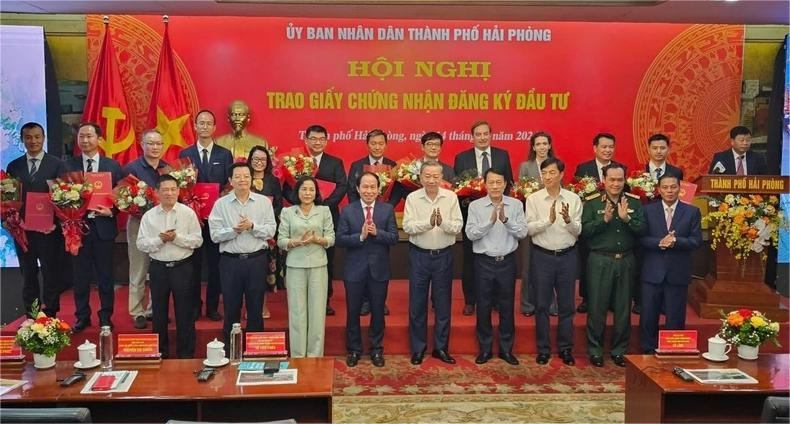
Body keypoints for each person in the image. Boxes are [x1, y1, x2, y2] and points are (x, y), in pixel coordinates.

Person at [582, 163, 645, 367]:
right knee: (597, 307)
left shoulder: (634, 201)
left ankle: (619, 350)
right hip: (600, 260)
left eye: (620, 180)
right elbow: (584, 231)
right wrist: (604, 220)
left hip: (626, 260)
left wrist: (627, 219)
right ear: (604, 180)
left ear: (624, 180)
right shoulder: (591, 203)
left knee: (623, 308)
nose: (616, 184)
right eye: (612, 180)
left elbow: (643, 230)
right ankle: (595, 350)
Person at [63, 122, 124, 332]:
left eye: (89, 136)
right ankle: (82, 317)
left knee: (106, 276)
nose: (85, 141)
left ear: (99, 139)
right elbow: (61, 197)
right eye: (82, 137)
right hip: (78, 229)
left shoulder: (112, 166)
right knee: (80, 277)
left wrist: (112, 212)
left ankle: (106, 316)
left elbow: (122, 197)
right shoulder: (68, 165)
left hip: (104, 228)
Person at [209, 163, 277, 346]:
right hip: (231, 262)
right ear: (230, 181)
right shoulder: (220, 204)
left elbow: (271, 230)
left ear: (252, 179)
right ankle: (232, 351)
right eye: (237, 177)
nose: (243, 180)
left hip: (256, 260)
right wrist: (234, 231)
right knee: (231, 308)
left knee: (256, 308)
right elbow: (214, 235)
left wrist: (253, 227)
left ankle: (256, 350)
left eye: (246, 176)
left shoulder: (263, 202)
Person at [465, 168, 528, 366]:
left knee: (507, 306)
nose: (494, 186)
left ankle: (506, 349)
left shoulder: (516, 204)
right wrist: (490, 222)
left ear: (505, 184)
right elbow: (470, 234)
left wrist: (506, 221)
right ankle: (485, 349)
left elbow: (523, 233)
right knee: (483, 306)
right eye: (491, 182)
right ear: (485, 184)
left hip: (507, 261)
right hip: (483, 262)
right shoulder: (475, 206)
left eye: (498, 182)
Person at [403, 161, 463, 365]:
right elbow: (408, 226)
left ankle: (441, 348)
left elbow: (457, 227)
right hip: (419, 255)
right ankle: (418, 348)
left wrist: (442, 223)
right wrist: (428, 224)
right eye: (427, 176)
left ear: (442, 178)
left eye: (435, 176)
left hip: (443, 255)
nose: (431, 180)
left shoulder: (451, 197)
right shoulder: (412, 198)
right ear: (420, 178)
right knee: (417, 304)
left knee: (443, 304)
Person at [136, 174, 202, 358]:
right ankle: (160, 354)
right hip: (158, 269)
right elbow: (141, 244)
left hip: (183, 268)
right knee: (159, 314)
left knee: (185, 314)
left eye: (173, 189)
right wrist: (160, 240)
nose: (169, 193)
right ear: (156, 192)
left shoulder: (188, 213)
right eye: (165, 190)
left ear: (179, 191)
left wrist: (177, 238)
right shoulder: (149, 216)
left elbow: (198, 240)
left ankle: (186, 355)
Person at [336, 172, 398, 367]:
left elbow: (394, 238)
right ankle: (354, 349)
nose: (369, 191)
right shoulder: (347, 210)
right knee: (353, 311)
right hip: (354, 271)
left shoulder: (387, 210)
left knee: (378, 311)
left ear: (378, 189)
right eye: (365, 187)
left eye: (373, 187)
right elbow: (340, 239)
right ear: (357, 188)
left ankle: (376, 349)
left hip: (379, 270)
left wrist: (376, 233)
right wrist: (361, 237)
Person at [283, 125, 346, 316]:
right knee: (298, 255)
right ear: (306, 140)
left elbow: (342, 186)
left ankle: (324, 300)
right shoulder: (296, 162)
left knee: (327, 259)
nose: (317, 142)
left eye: (321, 139)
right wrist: (301, 201)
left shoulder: (335, 162)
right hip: (298, 219)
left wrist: (323, 205)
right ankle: (299, 298)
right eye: (313, 138)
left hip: (326, 218)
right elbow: (286, 187)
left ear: (326, 141)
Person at [525, 157, 582, 366]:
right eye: (544, 173)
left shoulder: (574, 199)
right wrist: (547, 221)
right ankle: (543, 349)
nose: (547, 177)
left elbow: (579, 231)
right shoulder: (533, 199)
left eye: (551, 172)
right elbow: (528, 229)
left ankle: (566, 349)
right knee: (541, 305)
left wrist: (567, 220)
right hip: (542, 256)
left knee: (567, 306)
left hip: (567, 256)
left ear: (561, 174)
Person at [453, 120, 513, 316]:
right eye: (478, 134)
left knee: (495, 255)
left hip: (498, 213)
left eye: (485, 133)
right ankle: (471, 300)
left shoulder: (502, 155)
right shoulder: (462, 158)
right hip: (473, 214)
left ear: (491, 135)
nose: (482, 137)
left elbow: (509, 184)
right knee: (471, 258)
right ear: (472, 137)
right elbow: (457, 187)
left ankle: (495, 299)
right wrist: (466, 201)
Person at [179, 110, 234, 322]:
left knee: (215, 264)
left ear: (214, 128)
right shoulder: (185, 154)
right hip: (192, 218)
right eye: (200, 123)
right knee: (192, 265)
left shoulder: (224, 154)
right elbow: (180, 185)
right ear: (194, 126)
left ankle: (212, 306)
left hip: (216, 218)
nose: (204, 126)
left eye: (208, 123)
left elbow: (228, 185)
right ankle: (194, 306)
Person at [6, 122, 65, 317]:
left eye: (37, 137)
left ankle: (50, 314)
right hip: (23, 231)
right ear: (23, 140)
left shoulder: (57, 164)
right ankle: (31, 315)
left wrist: (55, 223)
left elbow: (63, 198)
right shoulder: (13, 166)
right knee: (28, 274)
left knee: (51, 273)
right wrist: (12, 221)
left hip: (49, 231)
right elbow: (9, 198)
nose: (33, 141)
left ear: (44, 138)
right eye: (29, 137)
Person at [639, 172, 702, 353]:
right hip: (652, 272)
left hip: (678, 273)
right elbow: (641, 239)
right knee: (648, 316)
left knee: (675, 316)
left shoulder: (692, 211)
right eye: (665, 187)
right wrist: (660, 242)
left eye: (673, 187)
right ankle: (648, 351)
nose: (669, 191)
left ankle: (672, 352)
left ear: (680, 189)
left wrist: (676, 241)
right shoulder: (648, 210)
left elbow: (696, 241)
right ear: (659, 189)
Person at [278, 176, 335, 357]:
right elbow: (281, 241)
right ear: (297, 191)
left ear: (316, 192)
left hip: (318, 265)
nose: (308, 193)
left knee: (317, 313)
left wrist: (318, 239)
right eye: (304, 189)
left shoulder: (324, 210)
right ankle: (298, 356)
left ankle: (315, 356)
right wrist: (297, 242)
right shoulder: (288, 212)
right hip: (295, 265)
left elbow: (331, 238)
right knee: (297, 313)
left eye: (311, 189)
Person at [346, 129, 400, 316]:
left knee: (379, 264)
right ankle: (364, 301)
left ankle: (378, 301)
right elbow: (351, 191)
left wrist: (383, 210)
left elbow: (397, 191)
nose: (377, 147)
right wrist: (360, 212)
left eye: (380, 143)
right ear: (367, 144)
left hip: (382, 220)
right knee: (360, 264)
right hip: (359, 218)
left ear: (386, 145)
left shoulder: (393, 165)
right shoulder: (357, 165)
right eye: (373, 143)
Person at [573, 132, 626, 314]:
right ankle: (587, 298)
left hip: (615, 223)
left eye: (611, 147)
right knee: (588, 259)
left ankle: (611, 299)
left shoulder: (620, 168)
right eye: (604, 146)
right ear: (595, 148)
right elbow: (577, 194)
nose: (608, 150)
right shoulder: (583, 169)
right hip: (592, 219)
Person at [123, 129, 169, 329]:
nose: (155, 147)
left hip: (163, 224)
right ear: (142, 145)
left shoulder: (168, 168)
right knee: (139, 269)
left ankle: (154, 309)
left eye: (159, 143)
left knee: (158, 269)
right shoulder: (132, 169)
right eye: (151, 143)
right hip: (139, 223)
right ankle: (137, 312)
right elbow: (124, 198)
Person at [517, 131, 557, 317]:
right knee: (527, 265)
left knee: (549, 266)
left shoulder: (556, 165)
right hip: (530, 219)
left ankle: (551, 304)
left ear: (549, 145)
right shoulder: (525, 166)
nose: (541, 147)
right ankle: (527, 304)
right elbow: (522, 191)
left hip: (552, 221)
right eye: (538, 144)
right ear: (533, 147)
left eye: (544, 143)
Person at [247, 146, 283, 319]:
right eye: (255, 159)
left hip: (266, 233)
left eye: (262, 159)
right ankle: (249, 307)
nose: (259, 163)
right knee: (248, 273)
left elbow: (278, 205)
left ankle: (263, 306)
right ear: (249, 160)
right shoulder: (244, 178)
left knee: (264, 271)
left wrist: (264, 219)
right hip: (245, 231)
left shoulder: (273, 181)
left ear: (268, 162)